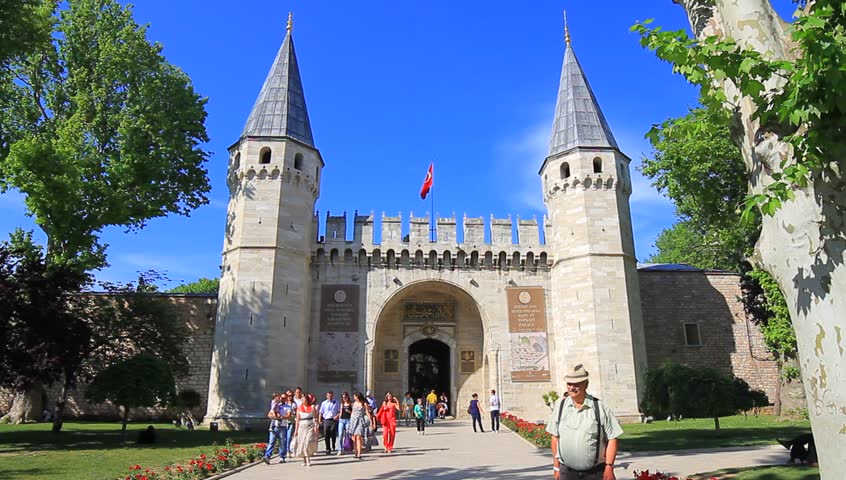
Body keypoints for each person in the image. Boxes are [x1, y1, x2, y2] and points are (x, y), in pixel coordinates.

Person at [547, 364, 623, 480]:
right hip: (567, 473)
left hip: (595, 473)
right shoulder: (560, 406)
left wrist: (609, 466)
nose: (572, 387)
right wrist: (556, 467)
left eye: (576, 384)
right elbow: (555, 437)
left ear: (586, 384)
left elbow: (612, 438)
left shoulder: (600, 407)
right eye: (569, 384)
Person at [263, 392, 292, 464]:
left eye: (284, 398)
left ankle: (282, 456)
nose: (282, 399)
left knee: (282, 442)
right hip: (274, 426)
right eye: (281, 398)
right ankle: (267, 456)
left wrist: (281, 417)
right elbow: (269, 414)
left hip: (283, 426)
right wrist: (274, 417)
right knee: (271, 442)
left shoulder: (287, 407)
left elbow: (288, 416)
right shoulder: (276, 405)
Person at [294, 393, 319, 467]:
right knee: (302, 443)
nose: (302, 400)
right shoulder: (299, 408)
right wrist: (296, 431)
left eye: (304, 399)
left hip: (310, 427)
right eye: (301, 399)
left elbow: (315, 418)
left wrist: (315, 427)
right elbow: (297, 420)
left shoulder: (312, 407)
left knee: (307, 442)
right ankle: (305, 460)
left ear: (307, 399)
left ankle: (307, 459)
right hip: (301, 427)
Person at [349, 392, 373, 459]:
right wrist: (350, 422)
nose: (354, 398)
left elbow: (367, 413)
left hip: (360, 421)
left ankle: (359, 454)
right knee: (354, 438)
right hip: (353, 421)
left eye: (355, 396)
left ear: (358, 396)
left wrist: (371, 421)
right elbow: (352, 413)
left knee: (359, 437)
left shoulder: (364, 403)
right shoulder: (354, 403)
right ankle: (355, 452)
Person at [319, 391, 340, 455]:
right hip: (326, 420)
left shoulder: (336, 402)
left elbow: (339, 411)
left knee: (333, 432)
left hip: (333, 420)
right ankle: (328, 448)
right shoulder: (324, 403)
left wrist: (337, 416)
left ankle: (333, 444)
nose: (330, 397)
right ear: (327, 396)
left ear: (332, 396)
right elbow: (321, 412)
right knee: (326, 434)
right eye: (328, 396)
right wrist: (320, 420)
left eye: (331, 396)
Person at [336, 392, 353, 456]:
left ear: (348, 397)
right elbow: (340, 412)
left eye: (345, 397)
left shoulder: (351, 404)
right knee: (340, 435)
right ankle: (340, 449)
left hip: (348, 420)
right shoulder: (342, 404)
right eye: (343, 397)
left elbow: (353, 412)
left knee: (349, 434)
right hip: (342, 420)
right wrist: (339, 418)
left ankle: (350, 446)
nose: (344, 398)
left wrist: (350, 412)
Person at [284, 390, 296, 455]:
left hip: (291, 421)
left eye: (291, 396)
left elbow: (296, 412)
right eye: (289, 396)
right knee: (284, 437)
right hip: (284, 422)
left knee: (289, 436)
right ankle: (284, 450)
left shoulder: (294, 404)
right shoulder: (284, 403)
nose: (290, 397)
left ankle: (288, 450)